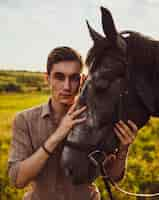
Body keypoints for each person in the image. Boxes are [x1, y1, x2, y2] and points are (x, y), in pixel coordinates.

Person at [8, 46, 138, 200]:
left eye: (74, 78)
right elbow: (17, 180)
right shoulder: (25, 120)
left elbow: (113, 177)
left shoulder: (98, 117)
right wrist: (57, 135)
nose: (67, 86)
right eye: (59, 77)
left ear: (82, 80)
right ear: (47, 78)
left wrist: (123, 149)